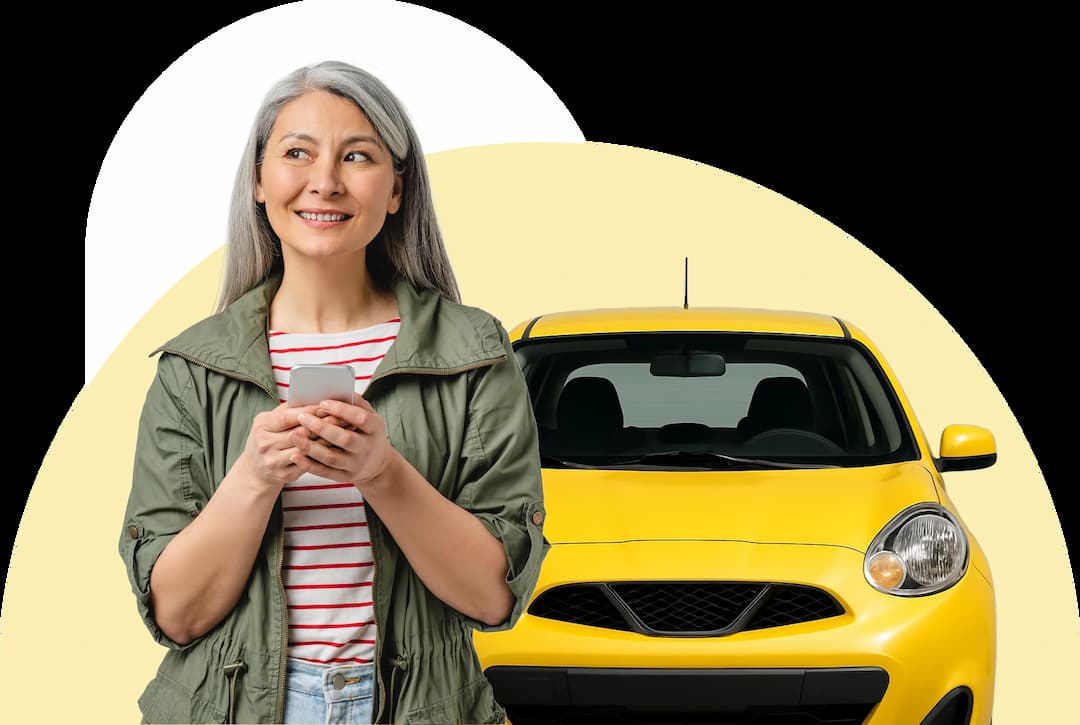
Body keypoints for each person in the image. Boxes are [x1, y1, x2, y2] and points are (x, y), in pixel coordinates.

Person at [118, 60, 548, 725]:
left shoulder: (475, 351)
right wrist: (254, 479)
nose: (325, 181)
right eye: (297, 153)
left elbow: (493, 598)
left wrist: (382, 473)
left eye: (357, 155)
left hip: (419, 708)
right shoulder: (193, 367)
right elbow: (177, 616)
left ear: (396, 189)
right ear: (259, 180)